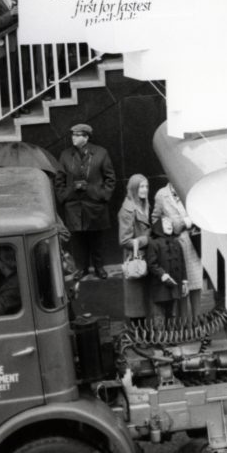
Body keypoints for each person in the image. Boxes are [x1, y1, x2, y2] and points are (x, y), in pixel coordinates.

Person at [55, 124, 116, 280]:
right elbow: (59, 181)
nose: (73, 137)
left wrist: (100, 195)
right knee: (79, 240)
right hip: (74, 206)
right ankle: (82, 268)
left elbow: (110, 179)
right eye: (72, 135)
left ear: (86, 137)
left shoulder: (101, 153)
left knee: (97, 239)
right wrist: (67, 195)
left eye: (77, 135)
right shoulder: (65, 155)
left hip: (95, 205)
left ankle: (99, 267)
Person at [152, 181, 203, 321]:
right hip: (175, 246)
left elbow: (200, 212)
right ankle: (184, 326)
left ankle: (198, 324)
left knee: (196, 285)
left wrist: (188, 222)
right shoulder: (161, 195)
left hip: (192, 242)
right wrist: (166, 226)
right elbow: (155, 219)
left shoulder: (188, 188)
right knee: (181, 286)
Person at [117, 174, 151, 320]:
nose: (144, 190)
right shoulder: (127, 210)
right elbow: (124, 241)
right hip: (135, 259)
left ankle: (146, 336)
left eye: (146, 186)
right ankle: (138, 336)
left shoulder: (144, 204)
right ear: (133, 189)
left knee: (144, 301)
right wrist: (146, 239)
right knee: (136, 303)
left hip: (145, 257)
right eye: (141, 187)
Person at [146, 203, 186, 324]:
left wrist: (184, 281)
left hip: (174, 285)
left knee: (172, 314)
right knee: (159, 314)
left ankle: (171, 338)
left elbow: (182, 263)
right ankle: (160, 340)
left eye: (170, 223)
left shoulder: (177, 243)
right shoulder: (154, 243)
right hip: (160, 286)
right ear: (159, 226)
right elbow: (152, 264)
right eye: (165, 223)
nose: (169, 225)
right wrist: (163, 275)